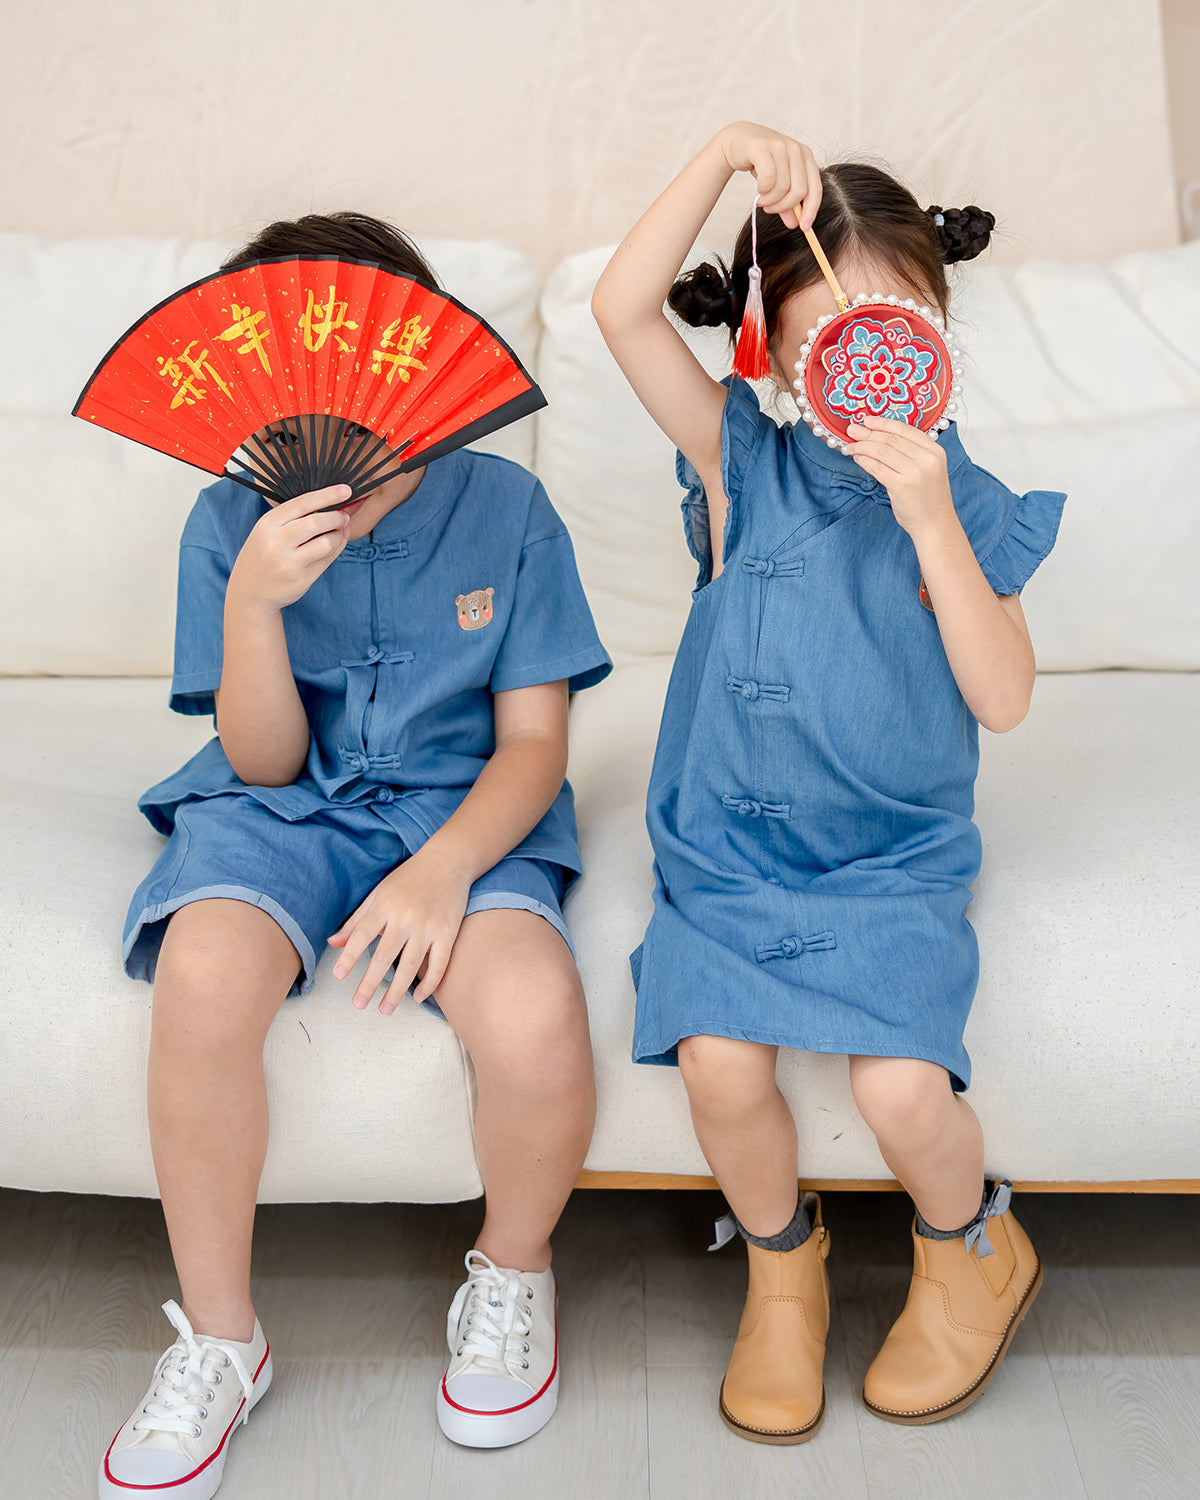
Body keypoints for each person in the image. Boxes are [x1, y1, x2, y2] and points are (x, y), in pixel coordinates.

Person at [100, 212, 611, 1499]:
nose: (343, 447)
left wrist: (442, 873)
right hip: (284, 807)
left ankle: (516, 1269)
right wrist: (254, 604)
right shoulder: (229, 522)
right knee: (202, 977)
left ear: (426, 377)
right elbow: (265, 761)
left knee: (538, 1014)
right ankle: (221, 1339)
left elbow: (534, 745)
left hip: (466, 804)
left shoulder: (509, 508)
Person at [592, 123, 1064, 1444]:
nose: (861, 360)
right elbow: (621, 310)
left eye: (891, 325)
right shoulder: (738, 456)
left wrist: (932, 521)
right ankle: (780, 1271)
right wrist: (723, 154)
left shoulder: (961, 495)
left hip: (887, 856)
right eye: (822, 340)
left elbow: (1004, 698)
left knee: (902, 1091)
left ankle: (975, 1255)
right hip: (731, 854)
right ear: (775, 350)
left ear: (938, 327)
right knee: (718, 1063)